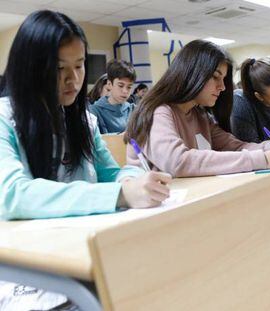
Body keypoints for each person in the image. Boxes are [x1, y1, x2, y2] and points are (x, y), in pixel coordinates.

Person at [0, 10, 171, 309]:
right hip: (31, 267)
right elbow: (13, 194)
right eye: (58, 68)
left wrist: (133, 181)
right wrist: (119, 193)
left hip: (85, 249)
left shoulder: (81, 119)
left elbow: (110, 172)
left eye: (79, 65)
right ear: (30, 68)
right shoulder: (5, 118)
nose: (74, 79)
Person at [125, 40, 270, 177]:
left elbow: (237, 147)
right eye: (215, 77)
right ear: (191, 73)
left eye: (224, 80)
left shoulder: (199, 114)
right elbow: (178, 161)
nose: (222, 87)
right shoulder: (160, 111)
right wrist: (265, 159)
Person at [90, 59, 135, 133]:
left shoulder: (133, 110)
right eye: (120, 85)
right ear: (109, 84)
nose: (125, 91)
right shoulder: (95, 111)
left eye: (129, 87)